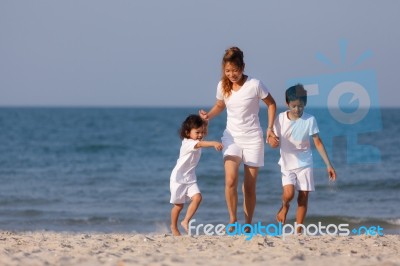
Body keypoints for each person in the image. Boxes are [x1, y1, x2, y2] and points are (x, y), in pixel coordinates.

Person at [199, 47, 277, 226]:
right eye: (227, 71)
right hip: (231, 138)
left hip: (253, 140)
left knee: (249, 188)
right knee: (230, 179)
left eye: (235, 70)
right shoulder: (222, 86)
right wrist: (208, 116)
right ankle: (233, 219)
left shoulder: (255, 84)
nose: (231, 74)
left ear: (243, 67)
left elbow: (271, 104)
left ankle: (248, 223)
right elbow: (220, 105)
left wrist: (270, 128)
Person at [268, 84, 336, 233]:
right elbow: (273, 140)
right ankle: (284, 206)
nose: (297, 110)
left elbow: (317, 142)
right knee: (289, 194)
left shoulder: (310, 120)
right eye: (294, 106)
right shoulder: (280, 119)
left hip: (305, 163)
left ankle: (298, 231)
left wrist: (328, 165)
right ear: (287, 104)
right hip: (287, 163)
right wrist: (272, 142)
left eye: (300, 106)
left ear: (305, 104)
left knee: (303, 197)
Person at [170, 114, 223, 236]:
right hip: (178, 178)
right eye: (197, 132)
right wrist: (214, 143)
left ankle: (185, 221)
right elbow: (200, 144)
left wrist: (206, 122)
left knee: (198, 198)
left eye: (202, 132)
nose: (200, 135)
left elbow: (201, 139)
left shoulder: (197, 140)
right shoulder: (188, 143)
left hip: (190, 178)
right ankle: (173, 226)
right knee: (178, 206)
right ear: (188, 133)